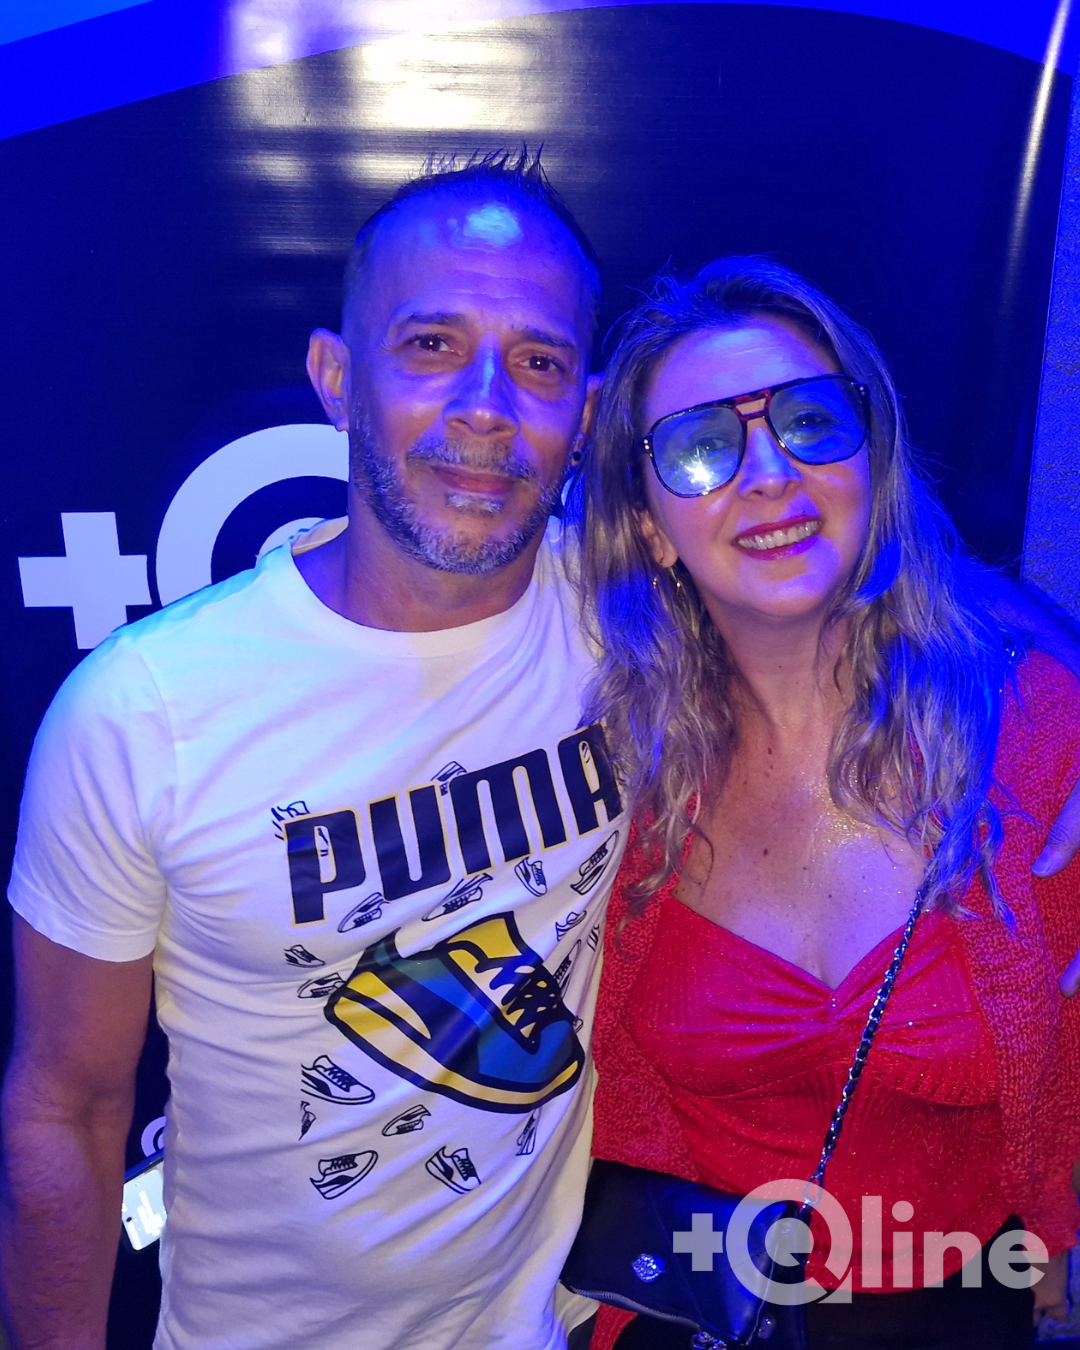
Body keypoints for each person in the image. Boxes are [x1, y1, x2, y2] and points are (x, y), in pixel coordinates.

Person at [2, 154, 1080, 1350]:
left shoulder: (620, 626)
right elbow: (65, 1108)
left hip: (564, 1324)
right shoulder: (141, 712)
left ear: (584, 415)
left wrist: (1067, 710)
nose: (484, 404)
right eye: (430, 346)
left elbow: (871, 569)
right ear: (337, 376)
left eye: (539, 362)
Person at [571, 257, 1080, 1350]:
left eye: (809, 421)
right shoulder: (611, 763)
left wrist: (1052, 1239)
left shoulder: (1036, 740)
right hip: (691, 1313)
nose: (768, 474)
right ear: (651, 527)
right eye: (701, 447)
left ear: (871, 462)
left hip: (959, 1306)